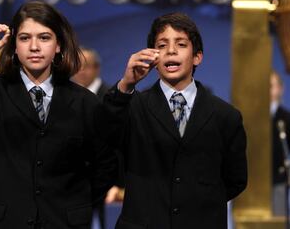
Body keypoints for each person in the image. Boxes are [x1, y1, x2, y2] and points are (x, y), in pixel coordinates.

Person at [0, 1, 117, 229]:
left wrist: (75, 204)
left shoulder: (85, 101)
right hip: (2, 223)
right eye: (25, 38)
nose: (34, 46)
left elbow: (105, 165)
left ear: (58, 45)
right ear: (14, 45)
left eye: (44, 38)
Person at [100, 12, 247, 229]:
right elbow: (104, 138)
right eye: (162, 45)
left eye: (181, 44)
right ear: (152, 56)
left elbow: (235, 180)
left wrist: (199, 203)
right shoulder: (131, 106)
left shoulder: (225, 116)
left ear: (197, 56)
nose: (170, 50)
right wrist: (125, 85)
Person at [72, 47, 123, 229]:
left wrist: (117, 184)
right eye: (76, 66)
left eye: (85, 66)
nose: (80, 71)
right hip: (73, 184)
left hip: (105, 184)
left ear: (97, 68)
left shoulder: (113, 98)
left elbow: (120, 144)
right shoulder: (64, 97)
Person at [270, 70, 290, 216]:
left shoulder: (286, 118)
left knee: (278, 218)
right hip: (253, 180)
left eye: (272, 85)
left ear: (280, 89)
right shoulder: (250, 118)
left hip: (278, 179)